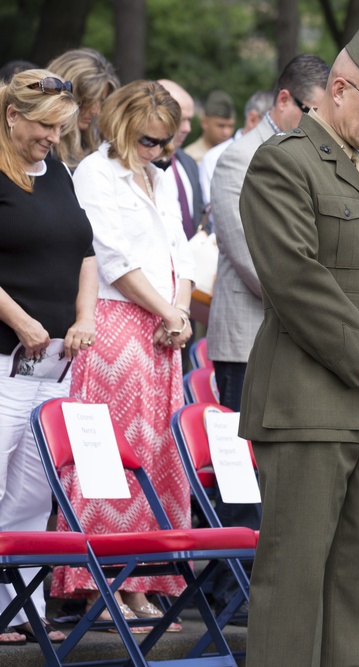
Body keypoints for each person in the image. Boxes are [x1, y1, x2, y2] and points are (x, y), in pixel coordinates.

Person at [236, 17, 359, 666]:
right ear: (338, 89)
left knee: (355, 585)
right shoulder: (284, 162)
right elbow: (294, 277)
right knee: (293, 583)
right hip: (306, 404)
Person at [51, 80, 194, 632]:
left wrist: (177, 313)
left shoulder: (158, 176)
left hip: (162, 329)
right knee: (108, 459)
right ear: (120, 127)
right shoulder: (95, 172)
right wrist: (167, 311)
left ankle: (137, 580)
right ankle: (94, 586)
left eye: (162, 142)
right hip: (116, 323)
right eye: (146, 140)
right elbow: (110, 255)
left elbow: (180, 248)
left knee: (154, 456)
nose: (155, 150)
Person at [204, 53, 329, 620]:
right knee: (241, 474)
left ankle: (276, 591)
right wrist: (323, 305)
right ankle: (232, 601)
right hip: (249, 339)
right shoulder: (238, 159)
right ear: (284, 101)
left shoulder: (310, 156)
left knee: (280, 475)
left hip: (299, 339)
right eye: (312, 110)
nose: (318, 122)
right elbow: (257, 263)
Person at [0, 68, 95, 646]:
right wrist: (18, 318)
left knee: (34, 494)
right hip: (5, 357)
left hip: (55, 363)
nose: (53, 138)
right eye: (43, 126)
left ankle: (20, 611)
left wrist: (84, 317)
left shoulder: (58, 171)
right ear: (12, 116)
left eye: (60, 128)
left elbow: (86, 251)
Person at [46, 48, 120, 171]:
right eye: (88, 100)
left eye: (101, 101)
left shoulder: (98, 144)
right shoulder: (43, 147)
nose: (96, 111)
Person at [199, 89, 274, 206]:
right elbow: (213, 211)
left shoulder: (277, 157)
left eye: (230, 126)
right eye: (273, 125)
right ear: (252, 119)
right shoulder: (214, 158)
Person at [156, 80, 203, 240]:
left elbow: (200, 214)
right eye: (181, 119)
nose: (187, 128)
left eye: (190, 120)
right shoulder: (136, 166)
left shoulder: (189, 162)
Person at [184, 89, 235, 163]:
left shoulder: (235, 155)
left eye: (230, 126)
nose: (226, 132)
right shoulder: (189, 158)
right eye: (220, 126)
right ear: (205, 123)